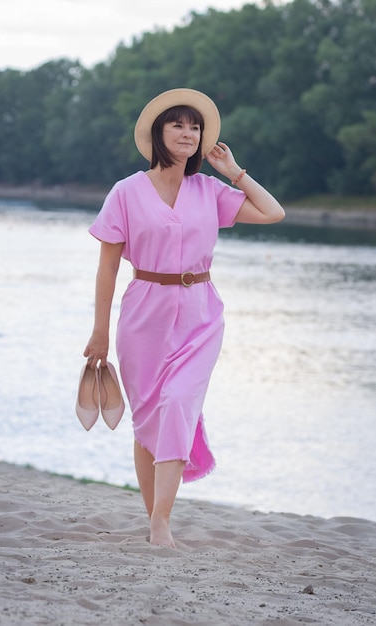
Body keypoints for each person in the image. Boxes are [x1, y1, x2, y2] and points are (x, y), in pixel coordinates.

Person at [84, 88, 285, 548]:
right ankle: (153, 516)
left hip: (201, 317)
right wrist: (98, 332)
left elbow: (274, 213)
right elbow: (107, 268)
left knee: (177, 404)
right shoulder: (126, 193)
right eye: (177, 124)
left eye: (194, 126)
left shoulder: (210, 191)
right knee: (148, 419)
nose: (188, 133)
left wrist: (234, 173)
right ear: (158, 133)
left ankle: (161, 523)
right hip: (143, 317)